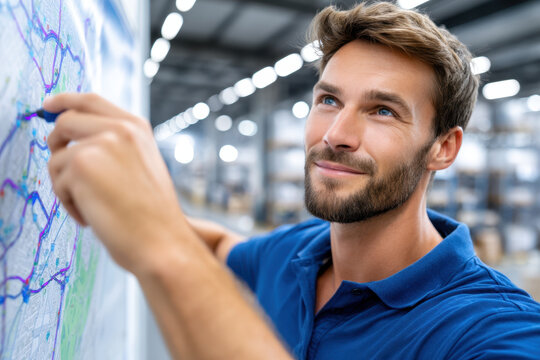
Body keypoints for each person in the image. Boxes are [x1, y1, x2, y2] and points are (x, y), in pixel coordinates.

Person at [44, 1, 540, 359]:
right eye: (328, 100)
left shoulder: (490, 330)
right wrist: (138, 205)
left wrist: (162, 247)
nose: (337, 135)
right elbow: (221, 243)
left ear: (443, 148)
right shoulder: (299, 255)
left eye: (383, 110)